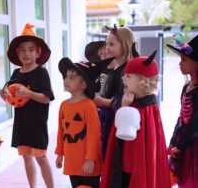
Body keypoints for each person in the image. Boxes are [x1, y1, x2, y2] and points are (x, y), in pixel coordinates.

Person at [100, 51, 171, 188]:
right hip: (125, 162)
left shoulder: (148, 108)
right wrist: (125, 106)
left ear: (142, 81)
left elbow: (129, 134)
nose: (123, 79)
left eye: (128, 76)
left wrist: (125, 107)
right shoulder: (133, 101)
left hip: (134, 166)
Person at [0, 23, 55, 188]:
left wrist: (29, 93)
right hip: (21, 122)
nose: (26, 53)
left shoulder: (41, 72)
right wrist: (3, 95)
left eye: (31, 49)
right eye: (22, 50)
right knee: (26, 156)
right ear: (18, 54)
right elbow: (12, 95)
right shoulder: (16, 73)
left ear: (38, 53)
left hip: (37, 122)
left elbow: (46, 98)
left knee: (41, 157)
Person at [55, 57, 114, 188]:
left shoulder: (88, 106)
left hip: (88, 164)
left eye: (72, 78)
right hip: (72, 162)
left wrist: (90, 159)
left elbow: (95, 134)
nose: (66, 80)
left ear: (83, 85)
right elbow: (62, 131)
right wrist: (60, 153)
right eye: (66, 77)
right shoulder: (63, 105)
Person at [93, 24, 136, 160]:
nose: (107, 48)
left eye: (111, 44)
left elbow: (123, 101)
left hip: (115, 123)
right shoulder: (114, 68)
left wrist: (101, 101)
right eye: (107, 44)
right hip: (107, 119)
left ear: (124, 46)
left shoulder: (126, 71)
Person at [167, 34, 198, 188]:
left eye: (184, 60)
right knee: (182, 180)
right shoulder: (186, 87)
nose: (180, 64)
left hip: (194, 144)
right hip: (182, 142)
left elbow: (195, 122)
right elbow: (181, 118)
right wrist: (173, 141)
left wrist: (181, 145)